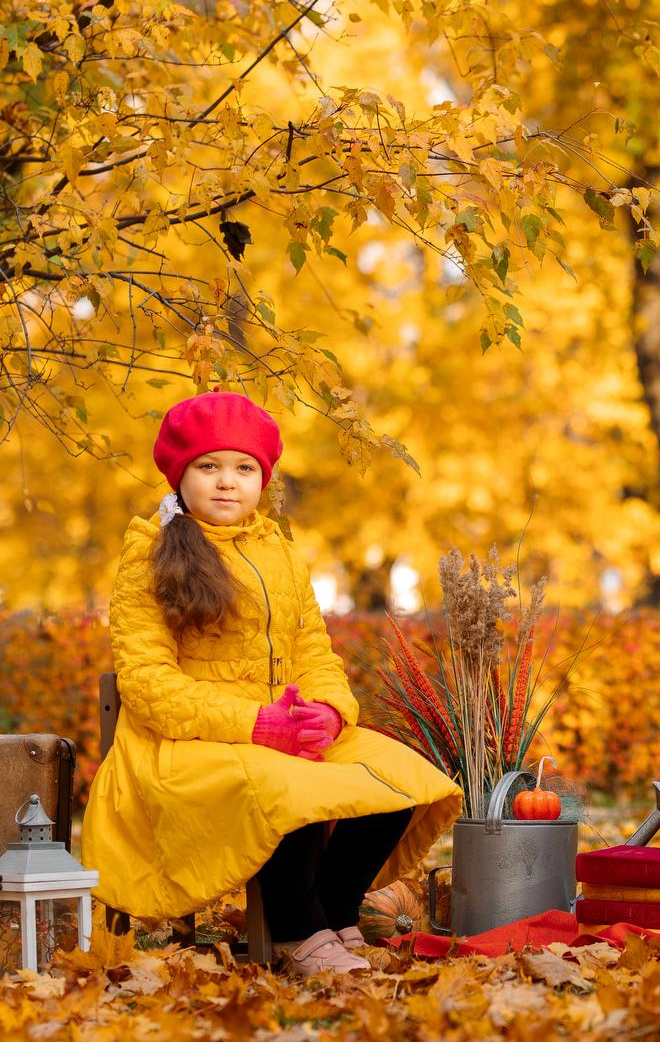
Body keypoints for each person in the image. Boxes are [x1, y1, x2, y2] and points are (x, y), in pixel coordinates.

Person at [85, 392, 461, 977]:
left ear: (264, 479)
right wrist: (256, 724)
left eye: (244, 468)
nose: (227, 482)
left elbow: (315, 652)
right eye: (208, 467)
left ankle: (333, 913)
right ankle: (296, 930)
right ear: (180, 475)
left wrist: (331, 712)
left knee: (402, 777)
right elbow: (149, 683)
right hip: (186, 742)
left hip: (284, 727)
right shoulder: (150, 557)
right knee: (286, 783)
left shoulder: (282, 554)